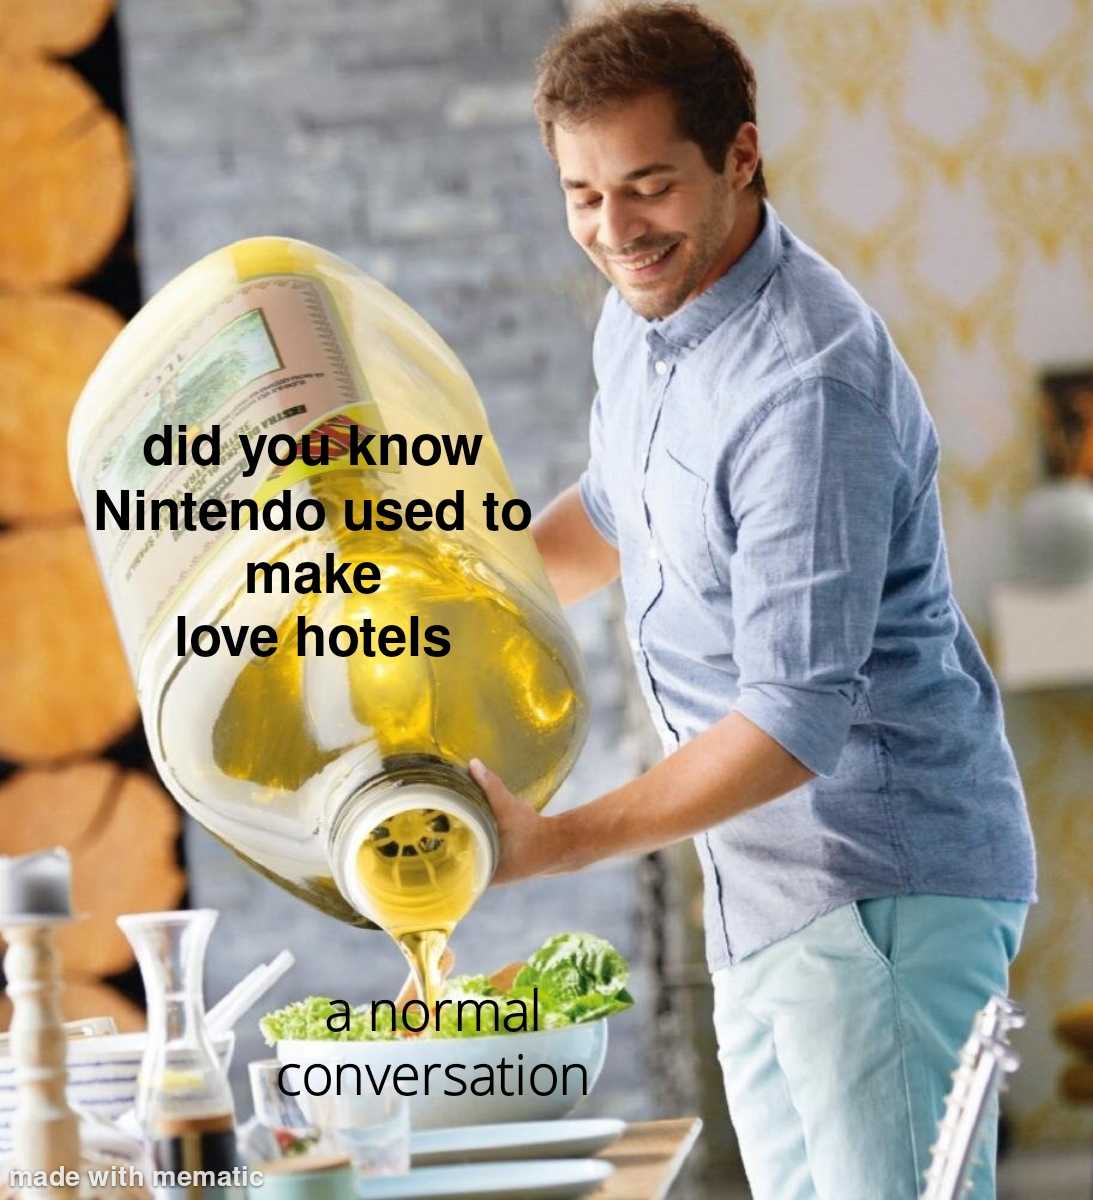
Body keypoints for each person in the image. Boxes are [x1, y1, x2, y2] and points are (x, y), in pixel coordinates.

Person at [466, 4, 1037, 1198]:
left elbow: (790, 725)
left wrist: (551, 844)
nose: (615, 230)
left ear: (738, 155)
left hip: (878, 891)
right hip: (764, 896)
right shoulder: (644, 322)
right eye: (583, 195)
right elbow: (618, 515)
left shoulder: (807, 386)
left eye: (649, 186)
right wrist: (447, 599)